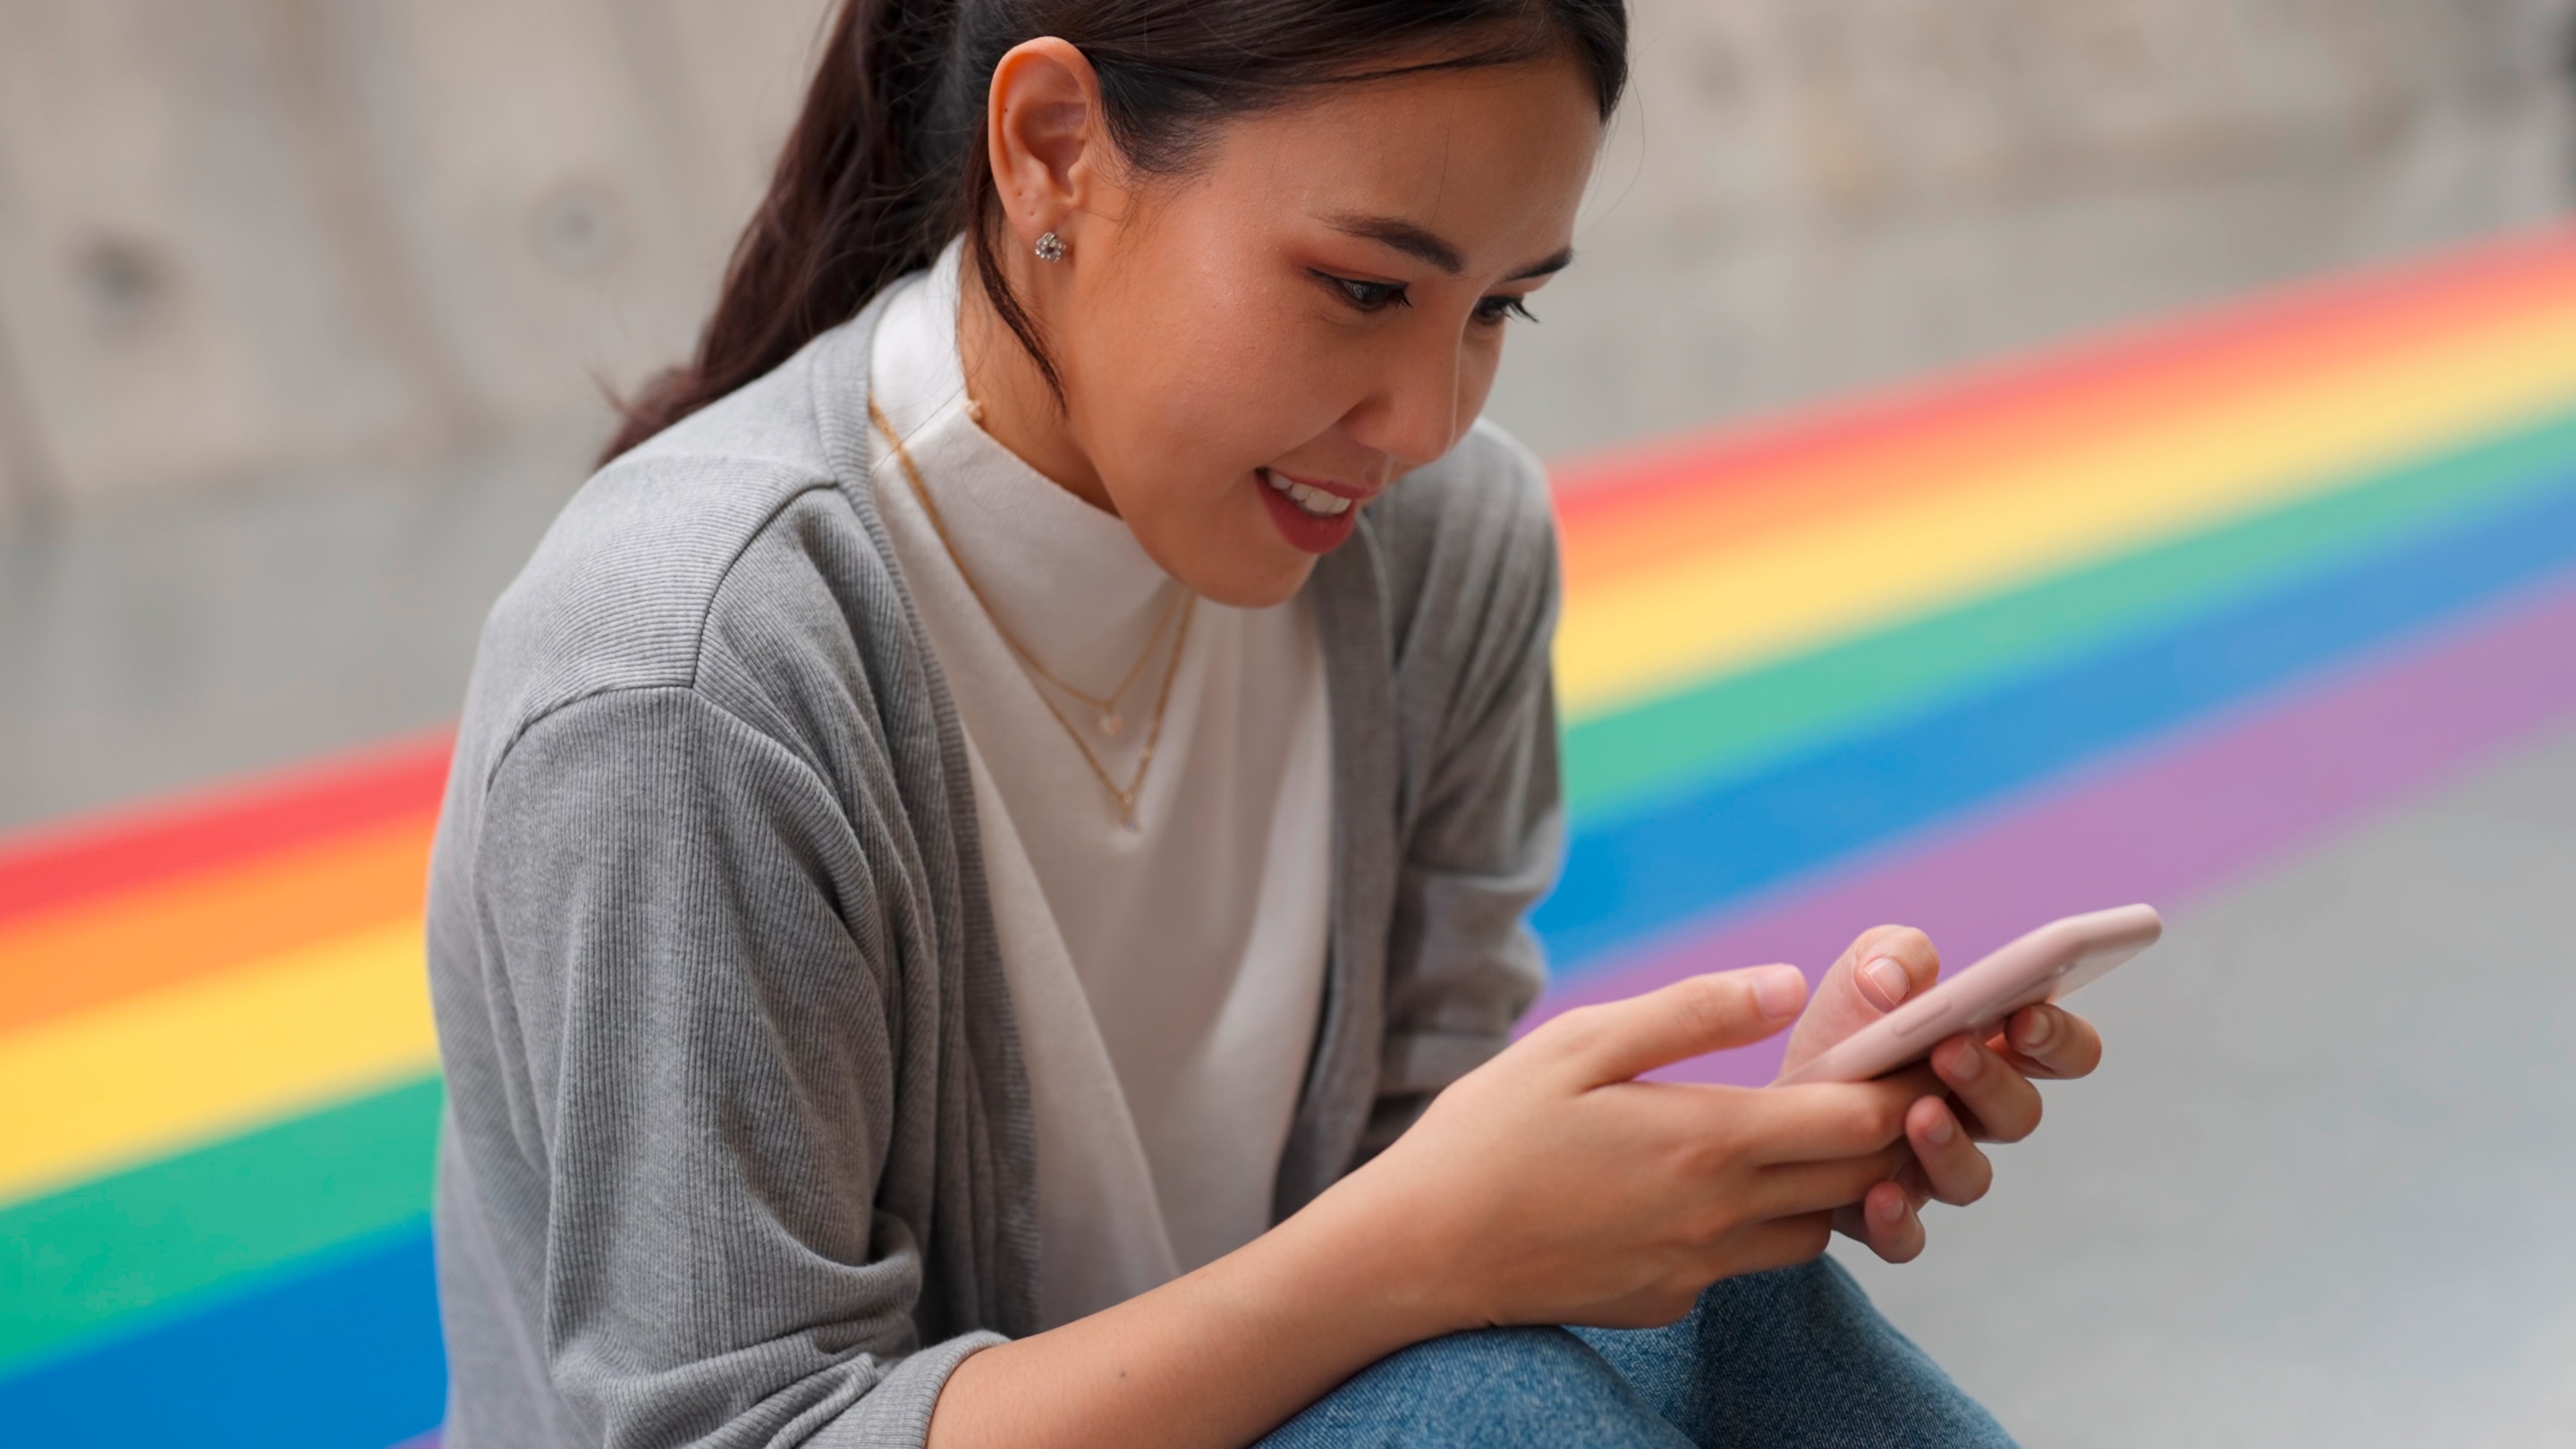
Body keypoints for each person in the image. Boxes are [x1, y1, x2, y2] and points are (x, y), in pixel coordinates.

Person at [424, 3, 2105, 1445]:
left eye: (1500, 309)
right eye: (1369, 291)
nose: (1431, 422)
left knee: (1711, 1320)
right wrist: (1426, 1247)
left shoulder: (1442, 561)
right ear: (1056, 149)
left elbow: (1412, 1168)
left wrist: (1726, 1172)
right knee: (1494, 1413)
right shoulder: (694, 675)